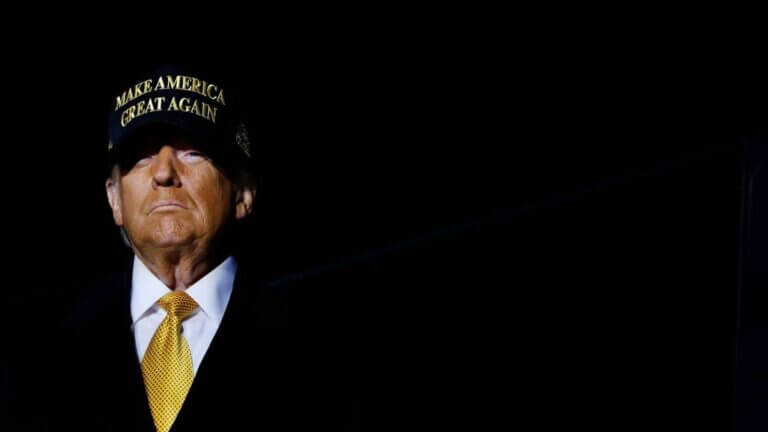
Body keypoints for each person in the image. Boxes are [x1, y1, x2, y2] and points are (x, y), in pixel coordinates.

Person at [45, 64, 358, 431]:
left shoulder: (315, 343)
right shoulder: (46, 351)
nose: (164, 173)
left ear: (243, 192)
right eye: (140, 157)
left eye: (192, 152)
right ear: (114, 199)